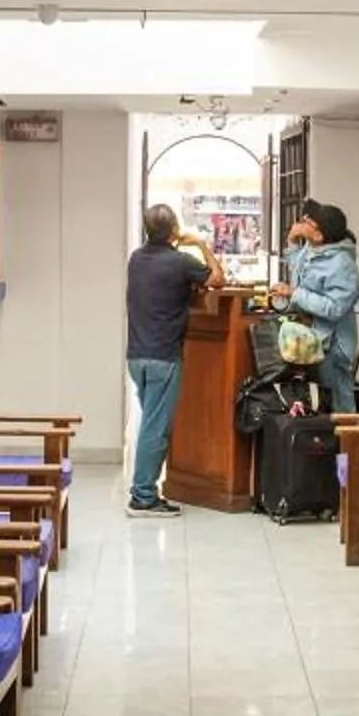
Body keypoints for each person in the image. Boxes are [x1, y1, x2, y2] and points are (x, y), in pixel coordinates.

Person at [124, 203, 221, 515]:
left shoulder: (136, 259)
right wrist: (201, 244)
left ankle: (144, 489)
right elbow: (217, 279)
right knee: (156, 427)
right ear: (174, 230)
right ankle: (142, 496)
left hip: (137, 356)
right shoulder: (180, 262)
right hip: (163, 356)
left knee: (151, 421)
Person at [271, 199, 359, 413]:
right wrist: (293, 243)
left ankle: (346, 445)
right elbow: (300, 270)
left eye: (307, 223)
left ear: (319, 235)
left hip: (333, 346)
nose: (302, 223)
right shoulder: (313, 249)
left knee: (338, 403)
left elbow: (334, 308)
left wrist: (295, 293)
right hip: (313, 339)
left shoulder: (342, 264)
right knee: (316, 401)